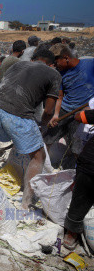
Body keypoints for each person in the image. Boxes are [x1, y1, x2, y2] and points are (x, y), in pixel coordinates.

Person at [0, 50, 61, 209]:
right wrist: (42, 125)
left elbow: (4, 85)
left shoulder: (19, 64)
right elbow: (48, 110)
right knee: (38, 156)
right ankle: (27, 202)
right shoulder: (54, 74)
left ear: (34, 59)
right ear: (51, 63)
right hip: (18, 116)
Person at [44, 44, 94, 159]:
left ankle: (76, 169)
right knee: (48, 139)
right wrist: (56, 115)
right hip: (64, 110)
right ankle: (43, 164)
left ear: (66, 58)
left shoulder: (90, 64)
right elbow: (59, 97)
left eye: (56, 62)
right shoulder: (59, 74)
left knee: (77, 145)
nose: (55, 65)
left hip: (81, 113)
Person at [63, 105, 94, 249]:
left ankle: (72, 233)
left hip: (89, 163)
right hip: (90, 164)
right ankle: (72, 231)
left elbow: (79, 116)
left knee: (80, 199)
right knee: (82, 198)